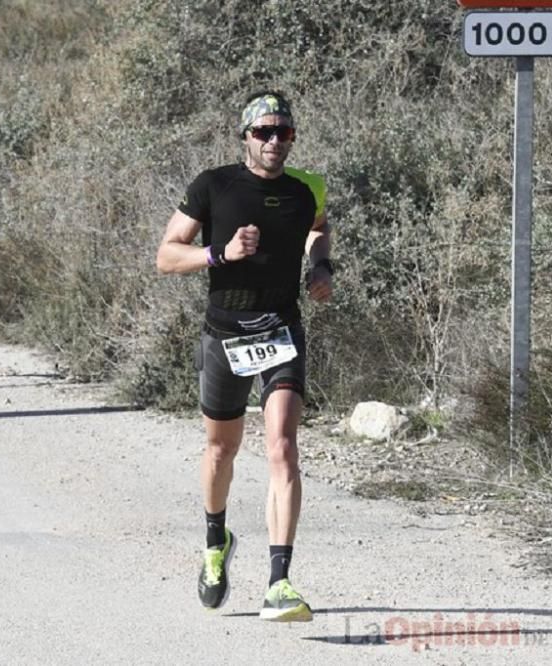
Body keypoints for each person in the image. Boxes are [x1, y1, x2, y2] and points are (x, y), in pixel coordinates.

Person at [155, 91, 333, 622]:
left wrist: (321, 268)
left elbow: (319, 229)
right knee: (220, 451)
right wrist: (218, 253)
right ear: (245, 137)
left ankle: (279, 582)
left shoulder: (308, 190)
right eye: (264, 132)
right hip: (225, 332)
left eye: (285, 133)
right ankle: (216, 540)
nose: (275, 141)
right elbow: (166, 255)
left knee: (282, 447)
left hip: (282, 328)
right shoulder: (214, 185)